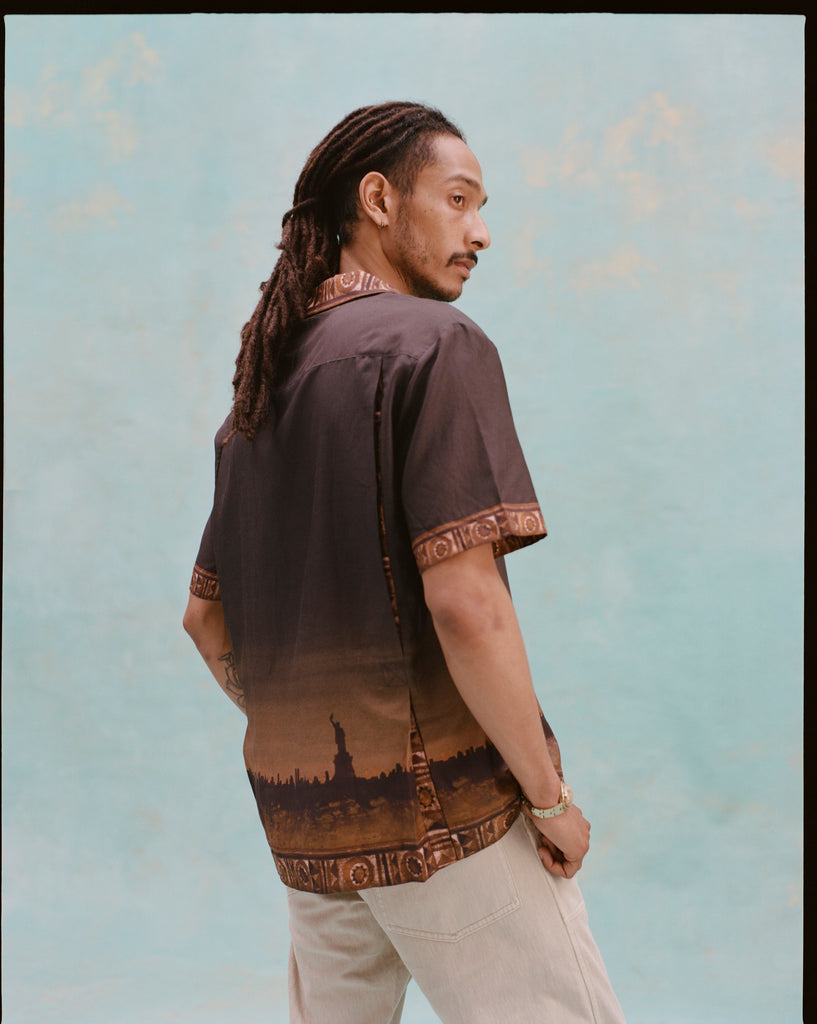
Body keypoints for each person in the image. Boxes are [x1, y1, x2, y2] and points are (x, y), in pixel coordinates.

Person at [183, 101, 625, 1024]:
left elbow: (206, 618)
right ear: (378, 199)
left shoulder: (262, 388)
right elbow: (468, 605)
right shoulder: (435, 345)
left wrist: (325, 736)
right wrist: (548, 801)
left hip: (310, 827)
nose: (481, 231)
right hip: (447, 817)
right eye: (458, 200)